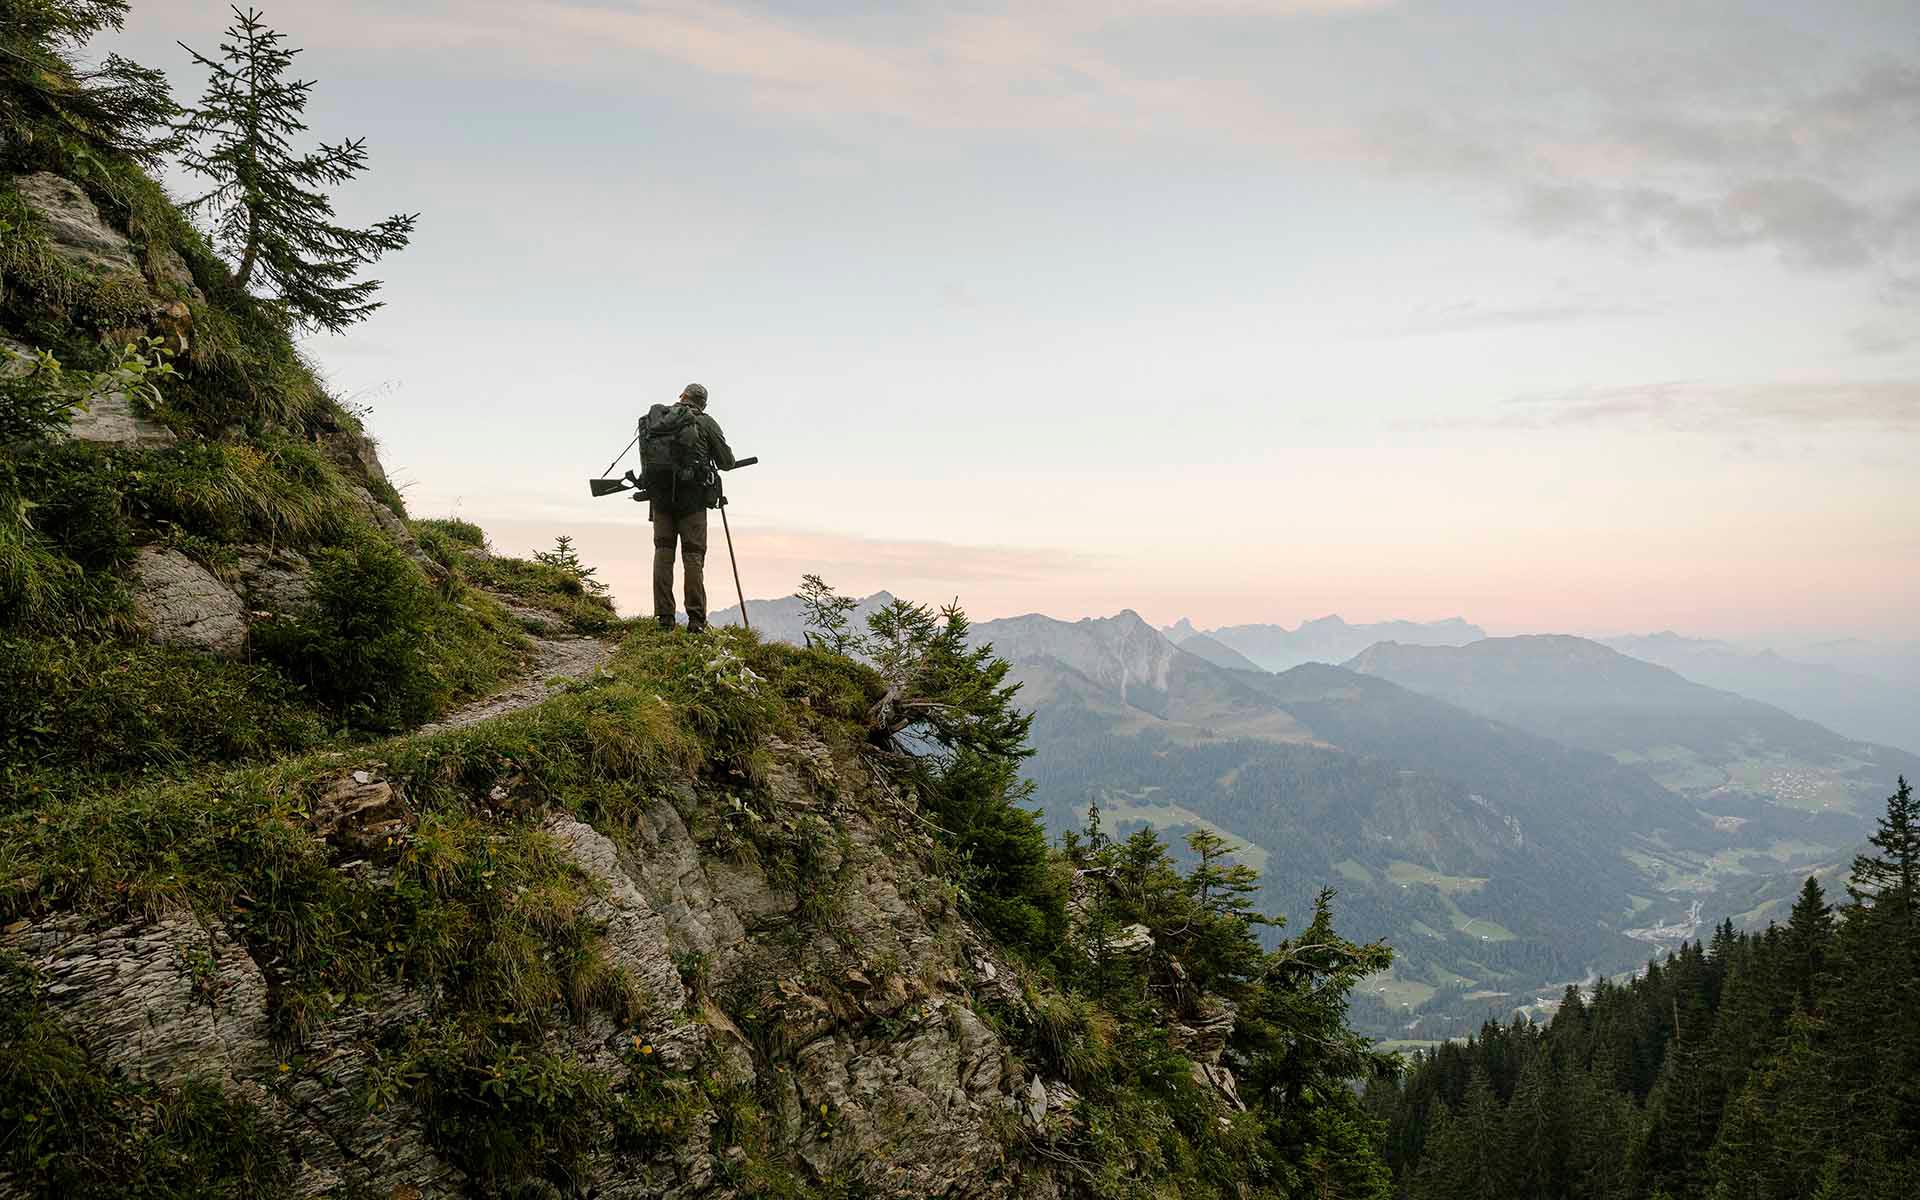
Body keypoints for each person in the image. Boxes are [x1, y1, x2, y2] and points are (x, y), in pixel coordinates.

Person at [652, 382, 734, 633]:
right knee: (693, 557)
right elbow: (727, 462)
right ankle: (696, 621)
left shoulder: (659, 420)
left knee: (663, 554)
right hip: (693, 501)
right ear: (703, 404)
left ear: (682, 396)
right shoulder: (705, 422)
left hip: (661, 499)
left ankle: (664, 618)